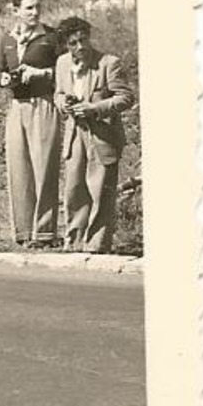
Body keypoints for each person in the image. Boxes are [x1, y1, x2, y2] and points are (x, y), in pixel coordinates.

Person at [53, 17, 135, 253]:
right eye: (73, 43)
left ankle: (97, 246)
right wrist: (63, 104)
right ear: (66, 46)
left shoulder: (109, 63)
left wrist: (95, 108)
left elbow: (125, 97)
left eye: (83, 39)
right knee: (74, 189)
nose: (80, 47)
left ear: (89, 37)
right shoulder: (61, 64)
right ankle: (75, 242)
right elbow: (58, 93)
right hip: (74, 133)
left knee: (101, 191)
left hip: (103, 135)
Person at [0, 0, 65, 247]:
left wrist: (41, 74)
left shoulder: (51, 37)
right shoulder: (7, 39)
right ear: (16, 11)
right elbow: (0, 70)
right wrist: (3, 79)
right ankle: (24, 233)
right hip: (17, 106)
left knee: (44, 168)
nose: (35, 12)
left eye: (38, 7)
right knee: (19, 168)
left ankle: (45, 233)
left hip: (43, 105)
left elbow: (65, 71)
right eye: (29, 8)